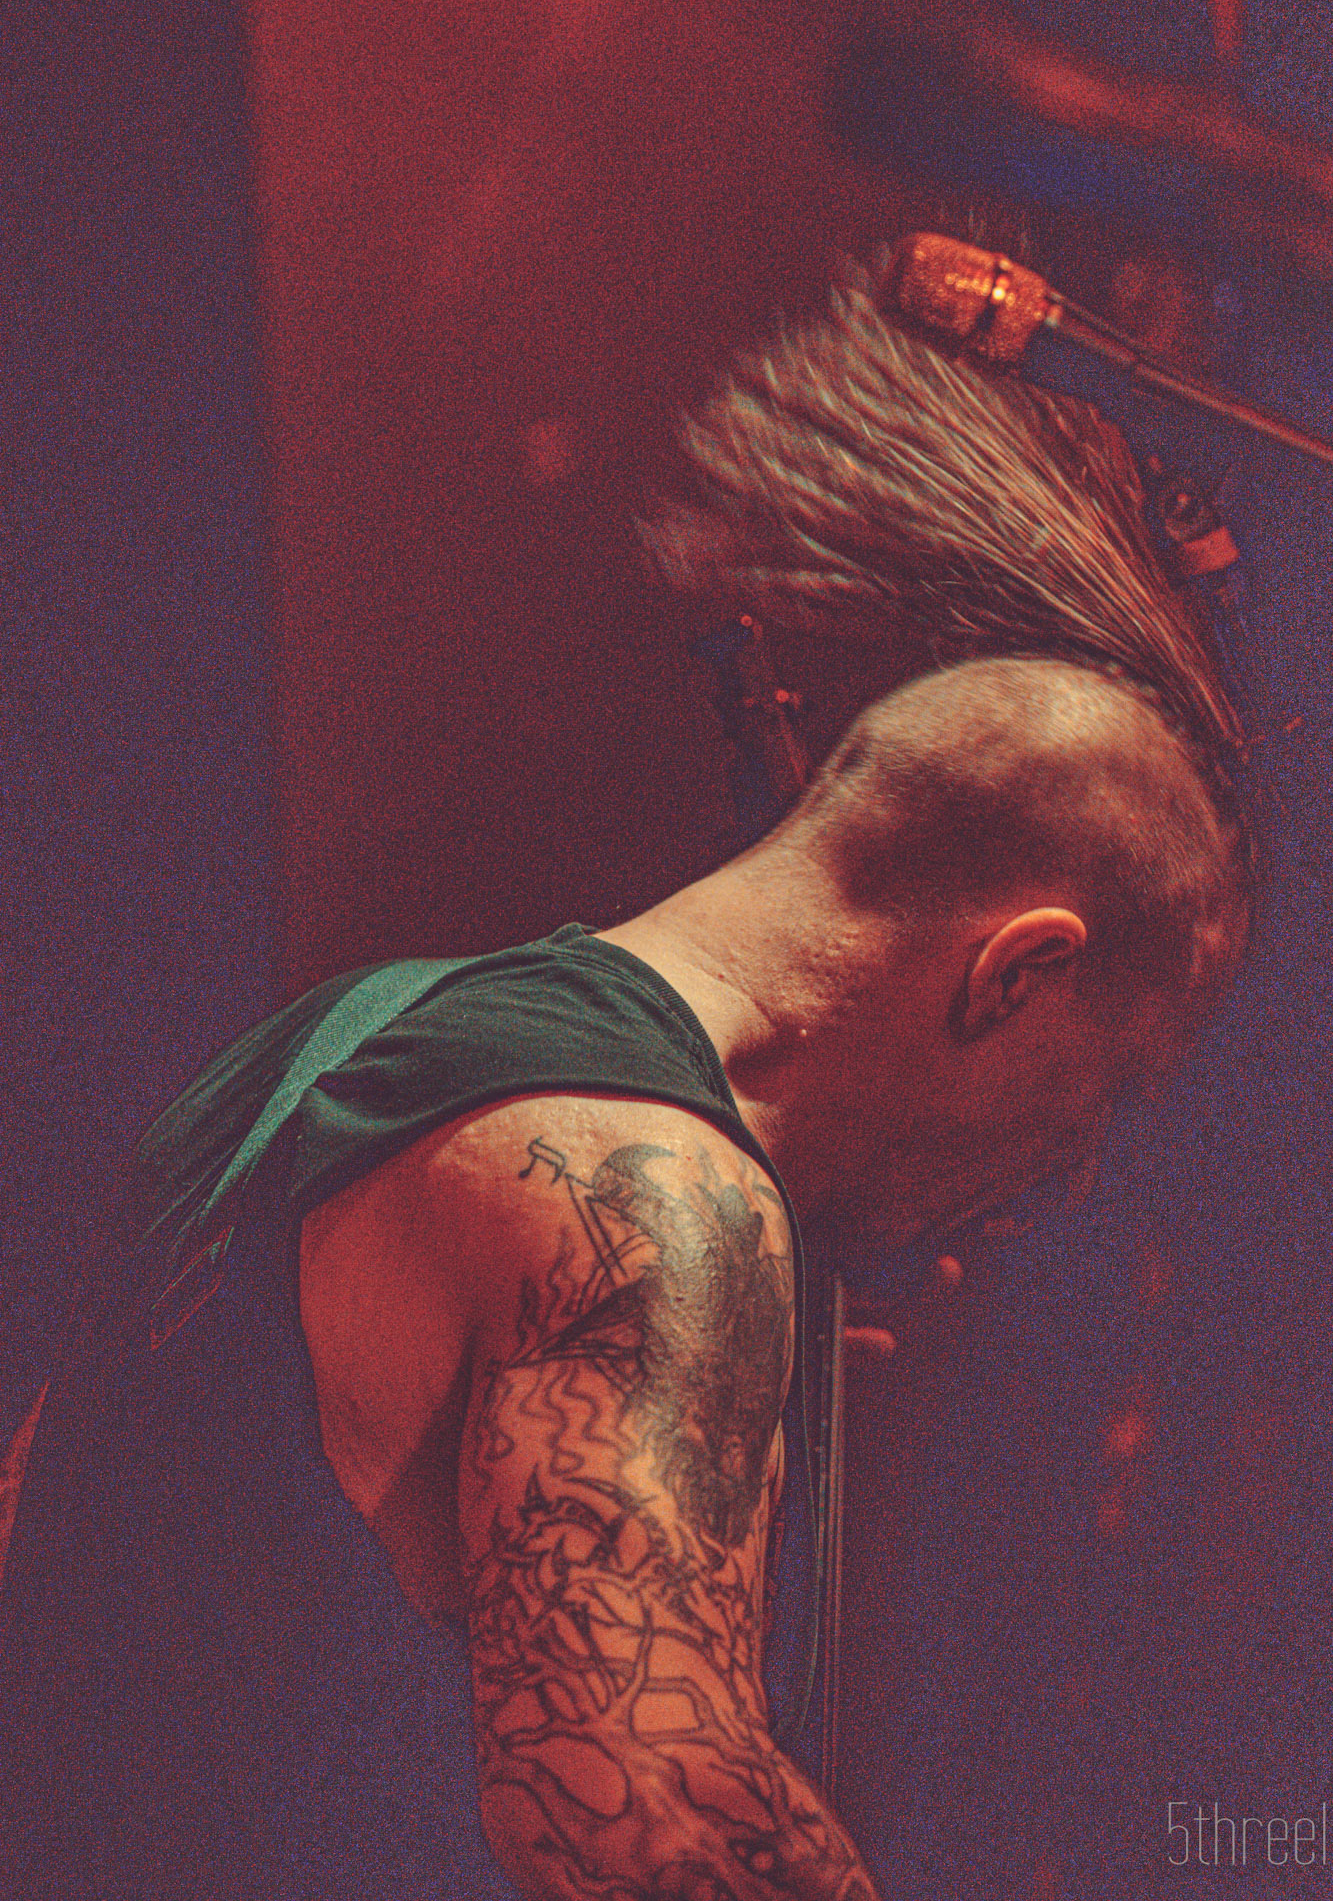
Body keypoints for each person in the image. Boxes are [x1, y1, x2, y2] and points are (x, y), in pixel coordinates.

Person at [0, 262, 1251, 1900]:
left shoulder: (337, 1041)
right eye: (1104, 1094)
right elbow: (645, 1826)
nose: (1061, 1177)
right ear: (1014, 969)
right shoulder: (652, 1196)